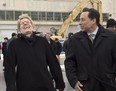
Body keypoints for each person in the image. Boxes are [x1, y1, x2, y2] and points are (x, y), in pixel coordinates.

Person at [4, 14, 65, 91]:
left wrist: (60, 83)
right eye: (22, 23)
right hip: (24, 86)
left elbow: (53, 63)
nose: (25, 24)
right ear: (19, 29)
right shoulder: (14, 45)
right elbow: (9, 68)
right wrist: (11, 87)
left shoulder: (42, 41)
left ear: (33, 26)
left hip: (45, 85)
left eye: (28, 22)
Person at [65, 7, 116, 91]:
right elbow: (70, 62)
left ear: (93, 20)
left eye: (83, 20)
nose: (80, 23)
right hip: (85, 86)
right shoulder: (75, 39)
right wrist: (73, 81)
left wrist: (110, 76)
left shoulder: (111, 37)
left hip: (107, 85)